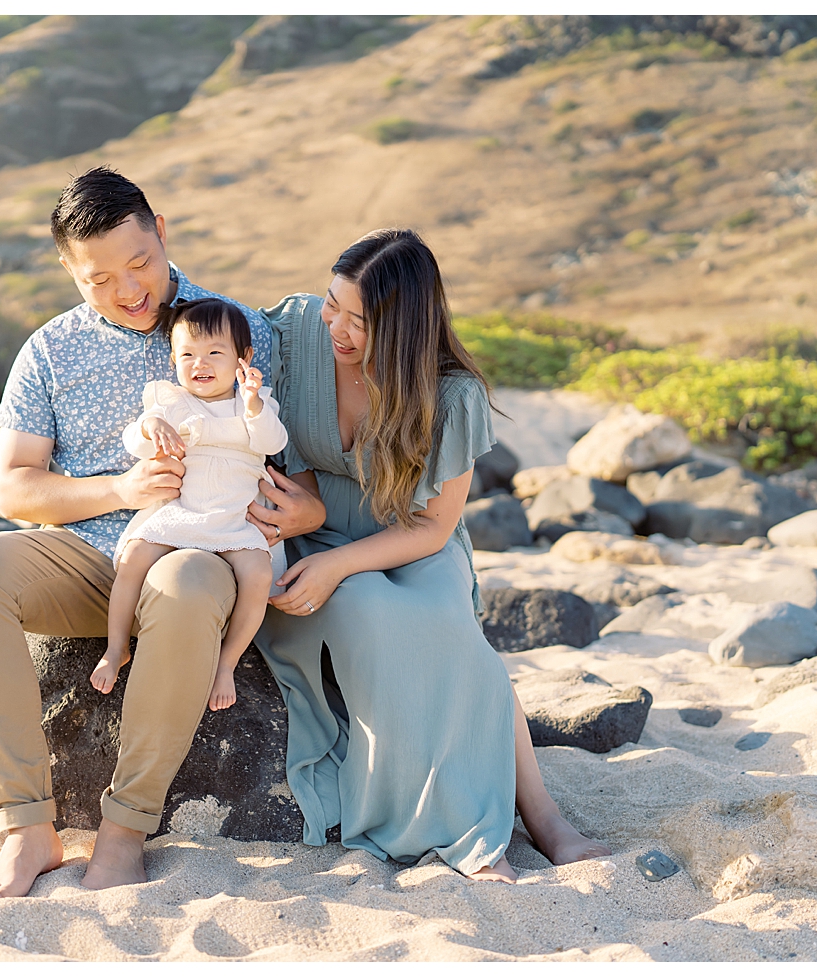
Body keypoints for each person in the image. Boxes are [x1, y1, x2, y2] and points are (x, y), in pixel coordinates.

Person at [0, 166, 323, 898]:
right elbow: (12, 484)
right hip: (88, 555)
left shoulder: (241, 331)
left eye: (139, 262)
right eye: (99, 278)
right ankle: (27, 830)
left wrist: (300, 512)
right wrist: (120, 487)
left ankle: (122, 832)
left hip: (199, 558)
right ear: (68, 271)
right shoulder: (50, 351)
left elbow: (293, 468)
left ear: (162, 233)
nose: (128, 289)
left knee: (186, 580)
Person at [246, 228, 612, 879]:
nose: (336, 326)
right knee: (366, 608)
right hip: (312, 535)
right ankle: (460, 829)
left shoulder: (451, 394)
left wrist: (340, 562)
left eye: (359, 321)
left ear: (404, 330)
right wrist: (313, 531)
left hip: (409, 545)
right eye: (333, 302)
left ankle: (545, 818)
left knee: (457, 640)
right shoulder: (299, 330)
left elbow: (433, 528)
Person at [91, 298, 289, 711]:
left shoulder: (255, 403)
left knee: (257, 575)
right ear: (173, 360)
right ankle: (116, 647)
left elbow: (273, 443)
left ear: (243, 358)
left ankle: (226, 664)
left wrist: (252, 403)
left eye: (215, 353)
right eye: (187, 354)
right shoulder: (172, 402)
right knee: (133, 558)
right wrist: (152, 424)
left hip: (235, 519)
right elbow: (137, 441)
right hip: (183, 514)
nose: (200, 363)